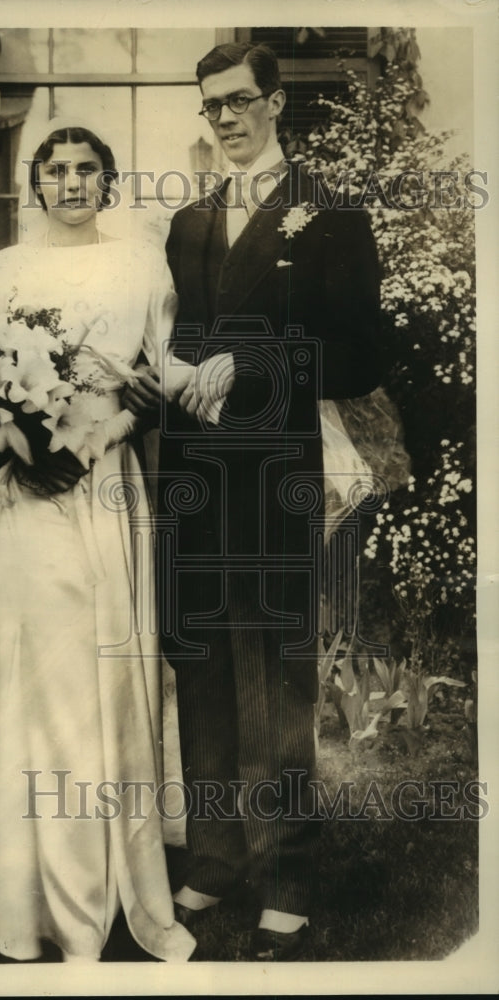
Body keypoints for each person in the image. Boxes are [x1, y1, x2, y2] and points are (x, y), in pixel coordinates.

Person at [0, 121, 195, 964]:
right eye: (53, 171)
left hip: (98, 484)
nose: (69, 183)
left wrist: (105, 434)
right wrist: (0, 452)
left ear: (108, 181)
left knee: (91, 665)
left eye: (86, 170)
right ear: (36, 185)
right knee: (26, 665)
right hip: (19, 492)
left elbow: (161, 378)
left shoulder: (141, 266)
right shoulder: (5, 270)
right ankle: (14, 877)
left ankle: (94, 876)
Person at [126, 42, 383, 961]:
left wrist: (257, 361)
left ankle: (287, 877)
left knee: (275, 674)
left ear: (276, 103)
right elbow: (175, 341)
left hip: (275, 471)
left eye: (239, 102)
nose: (226, 120)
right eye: (212, 108)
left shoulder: (330, 214)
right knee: (198, 659)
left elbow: (360, 355)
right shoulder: (190, 221)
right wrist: (168, 376)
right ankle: (215, 854)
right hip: (194, 474)